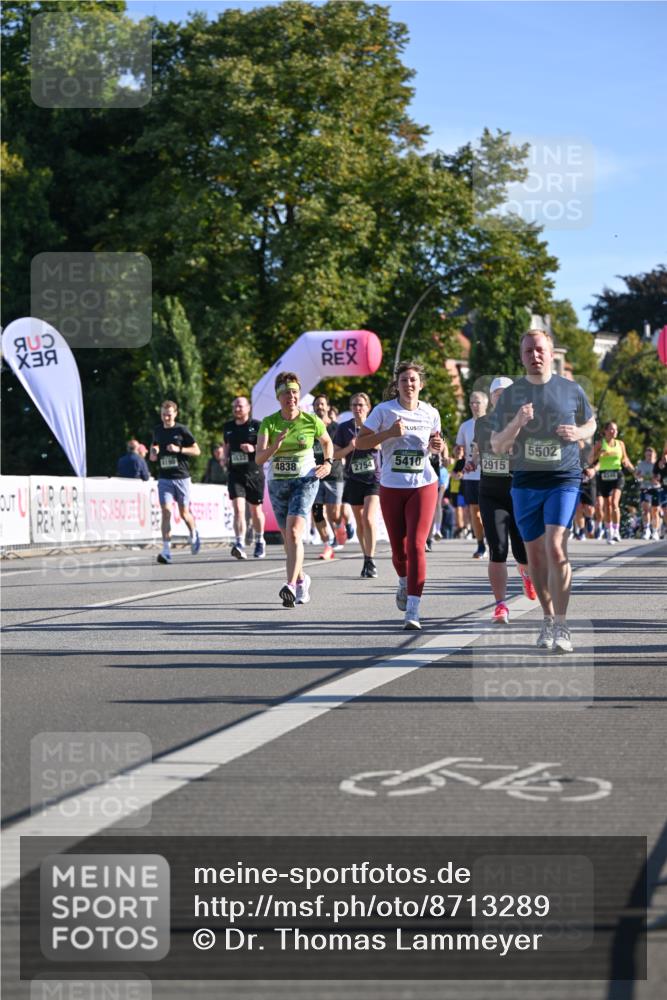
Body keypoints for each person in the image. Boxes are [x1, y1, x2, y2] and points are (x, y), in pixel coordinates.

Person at [491, 329, 596, 653]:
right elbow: (497, 444)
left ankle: (562, 625)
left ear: (551, 353)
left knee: (555, 547)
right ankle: (548, 619)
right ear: (521, 357)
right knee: (535, 556)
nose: (534, 356)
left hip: (563, 478)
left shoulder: (571, 389)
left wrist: (579, 430)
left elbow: (591, 423)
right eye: (528, 352)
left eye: (540, 350)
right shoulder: (512, 396)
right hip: (525, 482)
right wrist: (517, 423)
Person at [357, 360, 443, 630]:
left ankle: (413, 610)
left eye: (413, 380)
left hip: (423, 484)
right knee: (398, 550)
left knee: (417, 546)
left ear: (421, 384)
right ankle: (404, 582)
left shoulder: (431, 412)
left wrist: (438, 445)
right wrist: (388, 433)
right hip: (392, 486)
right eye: (404, 380)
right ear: (397, 385)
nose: (409, 384)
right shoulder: (383, 411)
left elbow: (436, 443)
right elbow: (360, 442)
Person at [256, 372, 333, 607]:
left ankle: (289, 585)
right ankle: (302, 581)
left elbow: (327, 442)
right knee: (288, 538)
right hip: (278, 483)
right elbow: (259, 458)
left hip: (305, 481)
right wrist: (275, 446)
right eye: (286, 392)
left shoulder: (311, 420)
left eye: (295, 392)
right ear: (278, 396)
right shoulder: (269, 422)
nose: (291, 396)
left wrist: (328, 463)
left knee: (294, 533)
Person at [472, 376, 536, 624]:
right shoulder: (484, 422)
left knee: (522, 550)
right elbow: (498, 446)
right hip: (491, 492)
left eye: (506, 393)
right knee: (497, 549)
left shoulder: (528, 423)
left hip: (518, 491)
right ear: (491, 398)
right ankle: (500, 605)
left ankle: (527, 573)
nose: (501, 397)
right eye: (497, 393)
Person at [333, 392, 381, 577]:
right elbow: (336, 454)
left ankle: (371, 559)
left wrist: (366, 439)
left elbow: (380, 446)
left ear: (368, 407)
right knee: (360, 521)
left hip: (373, 479)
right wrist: (350, 447)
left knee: (369, 518)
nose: (357, 408)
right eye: (354, 405)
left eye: (361, 405)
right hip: (353, 479)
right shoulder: (344, 428)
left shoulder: (375, 426)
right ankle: (366, 558)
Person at [149, 400, 201, 564]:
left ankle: (193, 532)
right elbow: (153, 453)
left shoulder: (182, 430)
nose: (166, 417)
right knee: (166, 512)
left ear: (175, 414)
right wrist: (154, 451)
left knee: (184, 513)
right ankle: (166, 551)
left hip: (181, 477)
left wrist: (179, 449)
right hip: (164, 478)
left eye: (169, 414)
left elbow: (197, 451)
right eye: (164, 414)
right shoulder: (157, 430)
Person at [223, 396, 266, 559]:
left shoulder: (257, 425)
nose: (237, 409)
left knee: (255, 511)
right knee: (238, 510)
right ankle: (239, 543)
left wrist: (252, 448)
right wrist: (224, 458)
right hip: (235, 473)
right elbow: (226, 445)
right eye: (235, 406)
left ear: (248, 408)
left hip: (254, 473)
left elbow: (266, 447)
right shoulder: (228, 427)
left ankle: (260, 540)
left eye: (240, 406)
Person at [311, 394, 347, 558]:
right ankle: (327, 545)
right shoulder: (308, 428)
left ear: (328, 407)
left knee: (334, 514)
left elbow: (343, 450)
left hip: (334, 475)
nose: (319, 407)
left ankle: (340, 526)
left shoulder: (337, 428)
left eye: (322, 404)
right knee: (317, 511)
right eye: (317, 405)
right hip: (314, 476)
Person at [591, 421, 635, 545]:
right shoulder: (600, 444)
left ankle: (616, 531)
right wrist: (600, 454)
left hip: (617, 475)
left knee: (614, 503)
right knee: (607, 505)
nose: (613, 431)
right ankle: (609, 531)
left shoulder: (620, 444)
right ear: (605, 431)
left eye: (615, 429)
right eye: (611, 429)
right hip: (604, 476)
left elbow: (625, 459)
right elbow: (590, 459)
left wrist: (633, 470)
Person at [456, 391, 488, 558]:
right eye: (471, 403)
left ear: (486, 404)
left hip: (490, 474)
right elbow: (458, 450)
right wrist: (458, 451)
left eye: (477, 402)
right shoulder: (465, 426)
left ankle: (494, 539)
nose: (474, 406)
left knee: (488, 511)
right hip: (471, 476)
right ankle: (481, 544)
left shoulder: (493, 424)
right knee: (474, 512)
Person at [572, 439, 597, 540]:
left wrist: (593, 470)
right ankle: (581, 531)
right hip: (575, 482)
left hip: (589, 482)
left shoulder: (590, 448)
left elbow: (599, 462)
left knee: (589, 508)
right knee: (578, 507)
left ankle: (589, 519)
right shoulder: (569, 448)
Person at [636, 446, 661, 540]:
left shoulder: (658, 464)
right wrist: (638, 476)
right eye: (647, 455)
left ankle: (655, 531)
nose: (649, 457)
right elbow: (637, 475)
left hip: (655, 488)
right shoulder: (641, 464)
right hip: (645, 488)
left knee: (655, 510)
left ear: (655, 455)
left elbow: (660, 477)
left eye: (651, 455)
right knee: (645, 509)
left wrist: (657, 479)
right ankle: (646, 529)